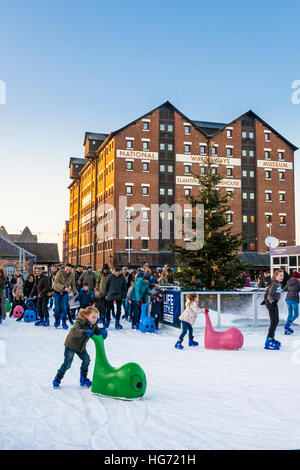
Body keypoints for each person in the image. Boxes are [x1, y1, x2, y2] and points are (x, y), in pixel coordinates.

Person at [52, 306, 107, 389]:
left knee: (86, 359)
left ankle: (83, 379)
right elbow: (74, 331)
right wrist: (84, 331)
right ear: (87, 316)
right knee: (67, 364)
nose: (95, 319)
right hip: (71, 345)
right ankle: (58, 378)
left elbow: (95, 330)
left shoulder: (93, 324)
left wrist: (101, 331)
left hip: (81, 346)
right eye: (93, 317)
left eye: (96, 317)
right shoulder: (80, 321)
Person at [263, 269, 284, 350]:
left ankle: (271, 337)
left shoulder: (277, 283)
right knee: (274, 321)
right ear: (276, 276)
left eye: (282, 275)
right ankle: (268, 340)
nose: (282, 277)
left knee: (276, 320)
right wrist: (271, 302)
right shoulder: (275, 283)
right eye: (280, 275)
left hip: (273, 303)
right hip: (271, 303)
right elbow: (270, 294)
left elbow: (268, 289)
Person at [53, 263, 77, 330]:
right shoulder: (60, 273)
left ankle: (64, 322)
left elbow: (73, 285)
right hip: (57, 292)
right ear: (64, 268)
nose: (68, 271)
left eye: (69, 269)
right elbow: (56, 282)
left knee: (65, 308)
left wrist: (75, 293)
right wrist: (64, 288)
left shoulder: (72, 275)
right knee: (57, 308)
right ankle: (57, 321)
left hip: (64, 293)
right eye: (67, 269)